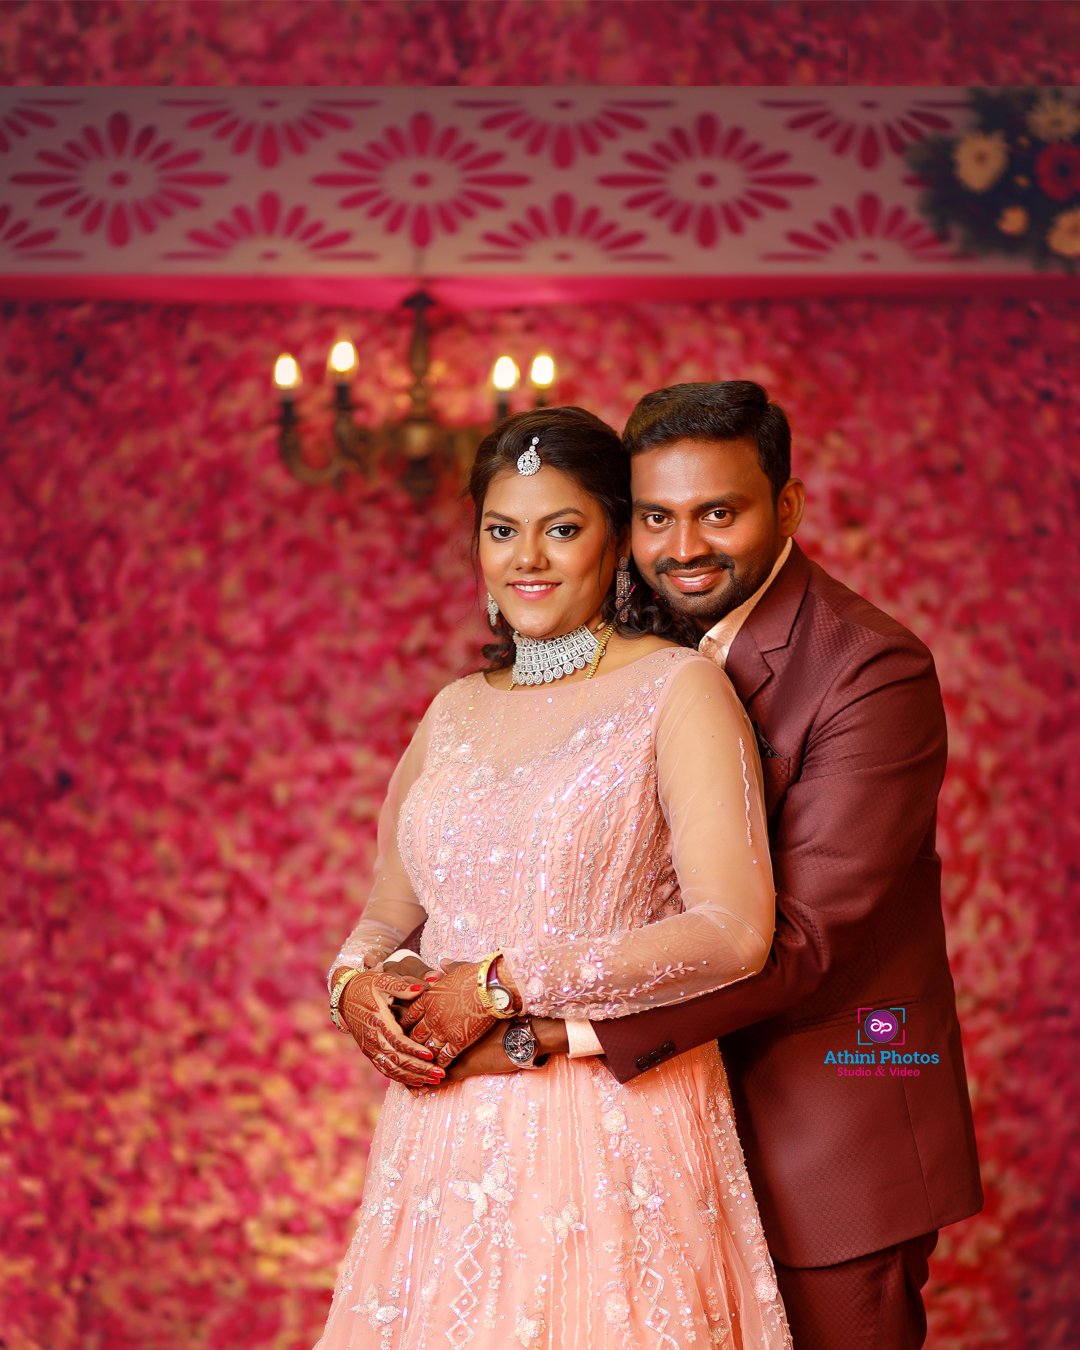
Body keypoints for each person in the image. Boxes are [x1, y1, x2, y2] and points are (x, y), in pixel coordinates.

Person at [407, 381, 983, 1350]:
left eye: (719, 513)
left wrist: (530, 1030)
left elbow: (797, 943)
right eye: (658, 518)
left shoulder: (872, 671)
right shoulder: (632, 650)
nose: (684, 549)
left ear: (785, 508)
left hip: (825, 1131)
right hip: (654, 1138)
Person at [317, 406, 792, 1348]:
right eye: (502, 531)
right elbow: (389, 908)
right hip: (441, 1140)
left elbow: (736, 930)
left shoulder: (675, 689)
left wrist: (502, 980)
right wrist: (353, 984)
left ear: (614, 545)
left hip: (610, 1123)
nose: (526, 558)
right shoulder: (451, 713)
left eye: (561, 529)